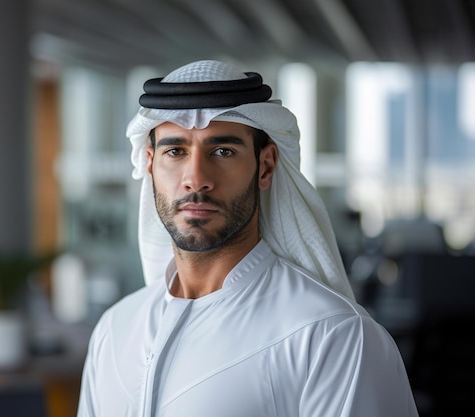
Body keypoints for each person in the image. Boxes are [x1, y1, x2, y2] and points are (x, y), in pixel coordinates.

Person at [76, 60, 418, 417]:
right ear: (150, 165)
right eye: (175, 151)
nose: (196, 178)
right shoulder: (115, 329)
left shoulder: (332, 337)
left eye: (223, 151)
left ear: (266, 166)